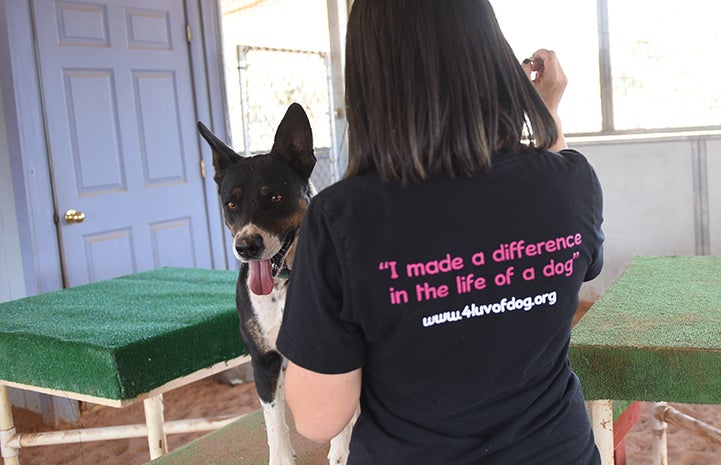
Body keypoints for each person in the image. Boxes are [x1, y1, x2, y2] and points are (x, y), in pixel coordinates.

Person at [276, 0, 604, 463]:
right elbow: (560, 220)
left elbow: (317, 420)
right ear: (494, 60)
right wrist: (545, 113)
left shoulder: (341, 219)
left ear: (371, 78)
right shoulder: (572, 182)